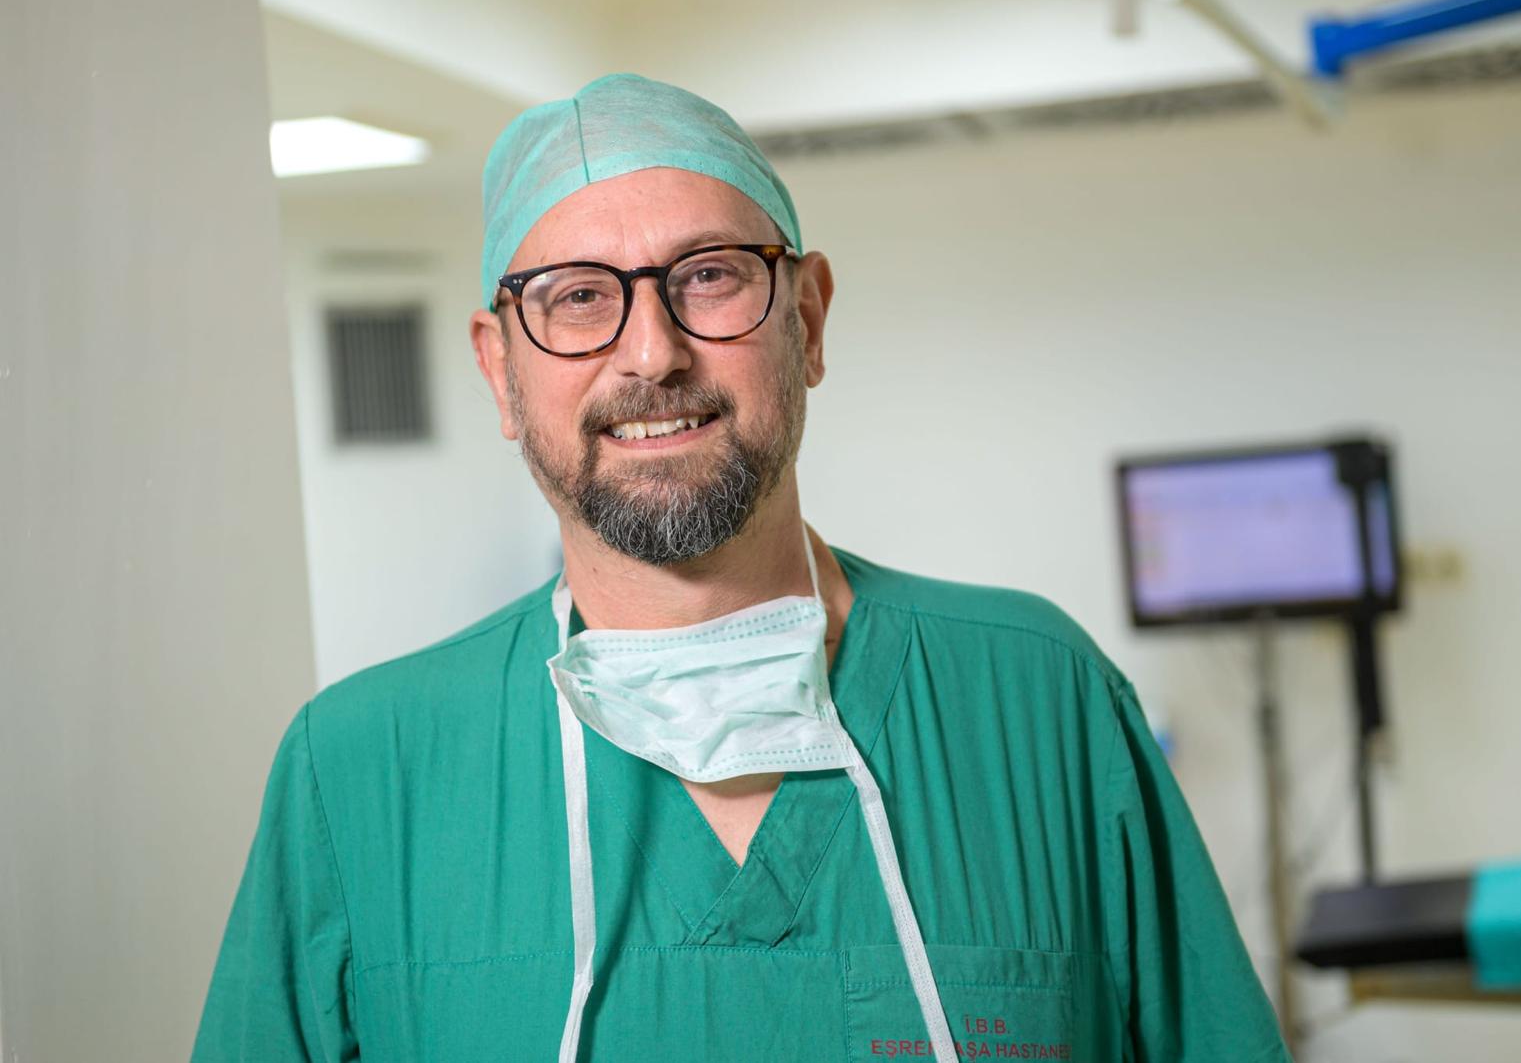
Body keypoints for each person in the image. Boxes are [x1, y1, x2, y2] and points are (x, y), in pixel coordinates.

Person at [194, 73, 1290, 1062]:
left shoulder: (1038, 698)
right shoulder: (362, 769)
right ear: (500, 371)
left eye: (708, 275)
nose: (652, 352)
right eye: (577, 296)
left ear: (806, 318)